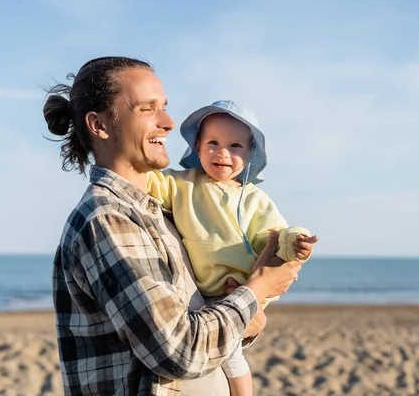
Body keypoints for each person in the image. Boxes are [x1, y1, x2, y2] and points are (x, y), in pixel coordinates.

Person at [42, 56, 303, 396]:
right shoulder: (107, 219)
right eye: (147, 108)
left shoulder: (159, 210)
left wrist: (245, 316)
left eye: (164, 107)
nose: (168, 122)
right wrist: (257, 290)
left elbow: (196, 318)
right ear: (100, 125)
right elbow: (179, 351)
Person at [146, 100, 318, 396]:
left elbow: (273, 235)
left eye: (235, 146)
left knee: (233, 358)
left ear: (251, 154)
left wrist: (297, 242)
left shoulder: (253, 199)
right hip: (203, 296)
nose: (223, 153)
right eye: (213, 142)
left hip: (243, 288)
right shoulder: (182, 185)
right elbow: (147, 181)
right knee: (217, 355)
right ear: (197, 147)